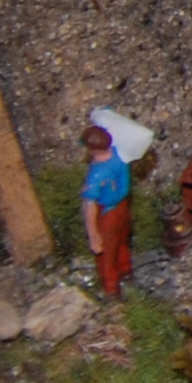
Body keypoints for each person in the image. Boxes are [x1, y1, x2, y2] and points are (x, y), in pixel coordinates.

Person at [76, 124, 134, 296]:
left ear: (92, 149)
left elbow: (90, 206)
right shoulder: (119, 155)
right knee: (121, 243)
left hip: (107, 213)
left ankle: (112, 291)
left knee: (106, 255)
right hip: (122, 207)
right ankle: (126, 272)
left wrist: (93, 235)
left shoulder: (96, 174)